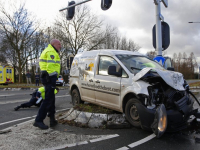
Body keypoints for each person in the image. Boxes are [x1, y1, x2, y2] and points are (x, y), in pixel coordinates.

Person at [33, 39, 61, 130]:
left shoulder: (50, 51)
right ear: (53, 44)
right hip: (49, 78)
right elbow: (50, 66)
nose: (60, 46)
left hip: (48, 77)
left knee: (51, 98)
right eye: (58, 44)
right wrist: (52, 78)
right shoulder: (51, 52)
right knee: (48, 99)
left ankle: (52, 119)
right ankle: (38, 120)